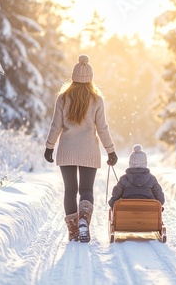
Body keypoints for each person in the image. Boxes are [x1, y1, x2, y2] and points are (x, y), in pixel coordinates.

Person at [44, 54, 118, 243]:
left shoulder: (63, 98)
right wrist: (110, 150)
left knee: (70, 190)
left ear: (73, 77)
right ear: (90, 78)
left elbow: (55, 125)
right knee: (86, 190)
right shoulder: (96, 100)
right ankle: (84, 220)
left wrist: (49, 146)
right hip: (89, 151)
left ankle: (74, 231)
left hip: (67, 150)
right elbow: (102, 128)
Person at [108, 144, 165, 209]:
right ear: (145, 164)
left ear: (130, 163)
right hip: (148, 214)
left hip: (127, 213)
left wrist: (112, 203)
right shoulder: (152, 179)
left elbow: (114, 198)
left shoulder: (123, 179)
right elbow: (161, 200)